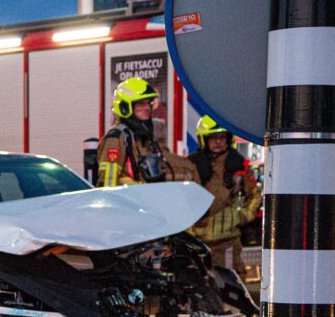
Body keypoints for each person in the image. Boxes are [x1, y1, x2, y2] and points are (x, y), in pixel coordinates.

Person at [187, 116, 261, 279]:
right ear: (203, 139)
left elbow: (254, 195)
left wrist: (243, 215)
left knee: (232, 287)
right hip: (196, 241)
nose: (218, 142)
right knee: (198, 288)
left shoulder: (239, 165)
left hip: (228, 242)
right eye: (213, 138)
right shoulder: (190, 165)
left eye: (222, 138)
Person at [96, 77, 196, 187]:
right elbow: (107, 184)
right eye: (141, 104)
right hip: (129, 202)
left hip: (145, 201)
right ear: (125, 106)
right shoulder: (116, 138)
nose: (147, 108)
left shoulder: (143, 138)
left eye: (149, 103)